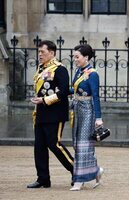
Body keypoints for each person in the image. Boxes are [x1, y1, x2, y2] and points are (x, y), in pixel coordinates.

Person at [27, 40, 74, 188]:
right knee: (39, 146)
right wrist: (39, 100)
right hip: (41, 112)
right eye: (39, 52)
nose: (40, 55)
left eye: (43, 52)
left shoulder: (60, 69)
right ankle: (43, 179)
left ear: (52, 53)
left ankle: (77, 170)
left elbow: (64, 91)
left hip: (55, 113)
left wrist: (45, 100)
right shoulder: (41, 69)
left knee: (54, 144)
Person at [69, 44, 104, 191]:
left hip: (88, 111)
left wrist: (98, 118)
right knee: (77, 144)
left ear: (86, 57)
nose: (75, 59)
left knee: (83, 145)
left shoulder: (93, 74)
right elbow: (75, 90)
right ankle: (95, 170)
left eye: (77, 57)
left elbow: (95, 96)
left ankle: (79, 180)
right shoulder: (78, 71)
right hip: (77, 111)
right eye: (74, 57)